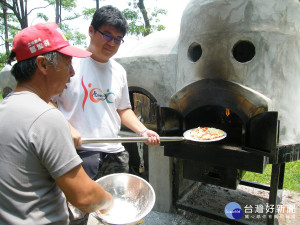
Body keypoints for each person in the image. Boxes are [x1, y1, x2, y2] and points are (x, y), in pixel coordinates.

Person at [0, 22, 113, 225]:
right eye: (68, 63)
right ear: (43, 65)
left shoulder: (5, 107)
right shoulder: (46, 117)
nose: (72, 73)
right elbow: (84, 197)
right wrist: (110, 200)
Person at [52, 5, 160, 181]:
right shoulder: (69, 63)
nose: (112, 43)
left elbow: (123, 109)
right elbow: (46, 102)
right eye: (107, 35)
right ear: (91, 30)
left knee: (113, 206)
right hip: (80, 152)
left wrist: (143, 131)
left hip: (115, 154)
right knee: (81, 208)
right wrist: (67, 128)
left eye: (118, 39)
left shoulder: (119, 71)